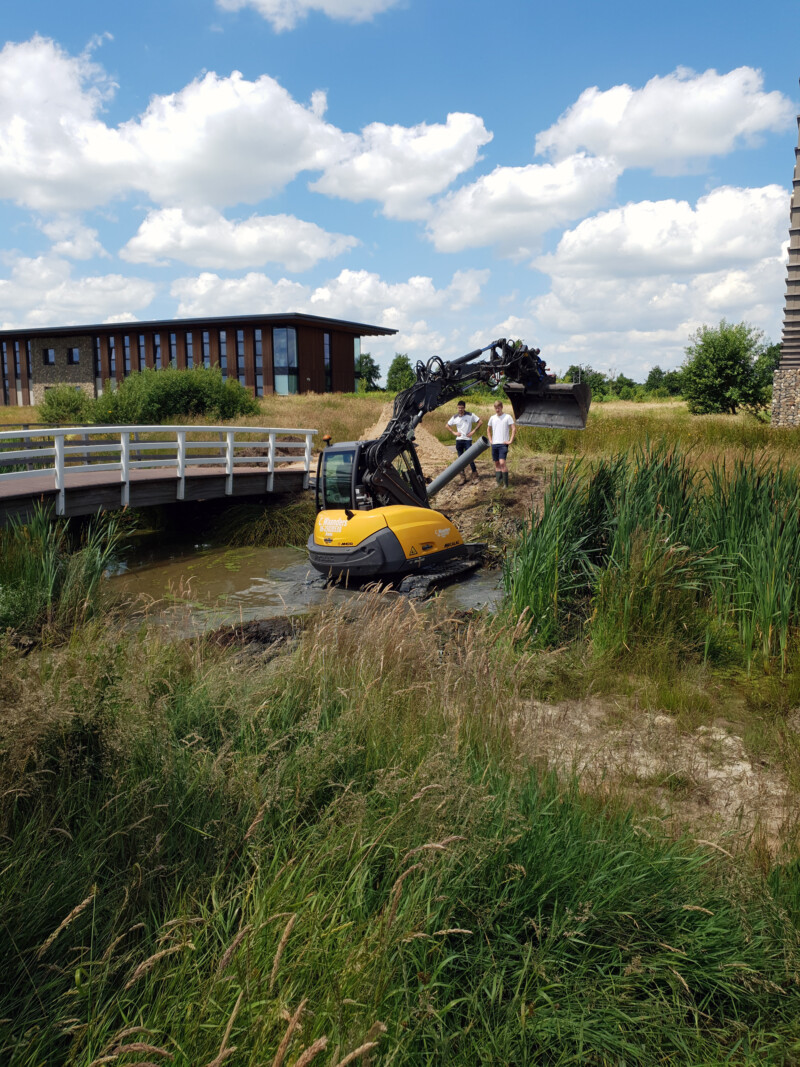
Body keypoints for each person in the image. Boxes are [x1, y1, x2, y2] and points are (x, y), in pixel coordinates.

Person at [446, 400, 482, 482]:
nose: (460, 409)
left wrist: (473, 431)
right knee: (460, 459)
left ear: (464, 408)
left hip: (467, 440)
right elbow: (447, 425)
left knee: (470, 457)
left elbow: (480, 422)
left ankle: (475, 475)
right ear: (457, 408)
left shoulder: (470, 415)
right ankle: (462, 477)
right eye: (459, 408)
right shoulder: (455, 417)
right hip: (459, 440)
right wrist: (454, 432)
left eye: (462, 408)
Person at [487, 399, 515, 487]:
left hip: (503, 444)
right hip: (494, 444)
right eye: (496, 408)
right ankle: (499, 483)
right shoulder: (492, 418)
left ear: (502, 407)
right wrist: (490, 440)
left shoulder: (507, 417)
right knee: (497, 463)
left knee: (502, 462)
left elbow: (513, 429)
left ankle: (506, 484)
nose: (497, 410)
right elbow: (488, 429)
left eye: (498, 408)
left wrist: (510, 440)